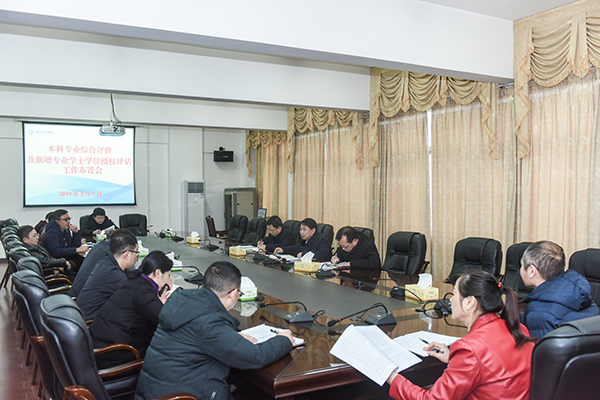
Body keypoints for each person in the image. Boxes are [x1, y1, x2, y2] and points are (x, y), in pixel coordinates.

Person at [135, 261, 294, 400]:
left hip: (153, 392)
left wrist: (232, 335)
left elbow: (199, 335)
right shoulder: (210, 323)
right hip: (183, 396)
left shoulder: (183, 302)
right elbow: (255, 356)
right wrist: (284, 340)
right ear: (233, 294)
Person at [387, 270, 535, 400]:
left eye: (454, 294)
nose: (450, 300)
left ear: (469, 302)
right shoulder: (519, 329)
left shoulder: (470, 349)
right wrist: (454, 358)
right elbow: (492, 367)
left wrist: (391, 376)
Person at [90, 250, 173, 369]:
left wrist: (158, 303)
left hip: (100, 345)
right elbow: (165, 319)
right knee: (166, 347)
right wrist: (163, 306)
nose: (168, 280)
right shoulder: (143, 291)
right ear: (158, 273)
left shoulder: (135, 281)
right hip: (115, 356)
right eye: (168, 275)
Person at [520, 240, 599, 339]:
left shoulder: (538, 314)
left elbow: (541, 348)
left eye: (521, 265)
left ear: (531, 271)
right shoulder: (578, 293)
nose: (521, 270)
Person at [76, 229, 138, 319]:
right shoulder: (113, 274)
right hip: (90, 322)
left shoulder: (106, 261)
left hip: (83, 314)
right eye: (136, 252)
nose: (136, 257)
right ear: (127, 254)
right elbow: (135, 298)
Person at [41, 209, 88, 276]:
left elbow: (74, 246)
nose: (69, 221)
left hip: (66, 257)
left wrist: (76, 233)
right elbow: (56, 252)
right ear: (57, 221)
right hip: (57, 261)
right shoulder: (52, 233)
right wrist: (76, 250)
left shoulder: (65, 230)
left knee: (86, 260)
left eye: (69, 219)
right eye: (66, 220)